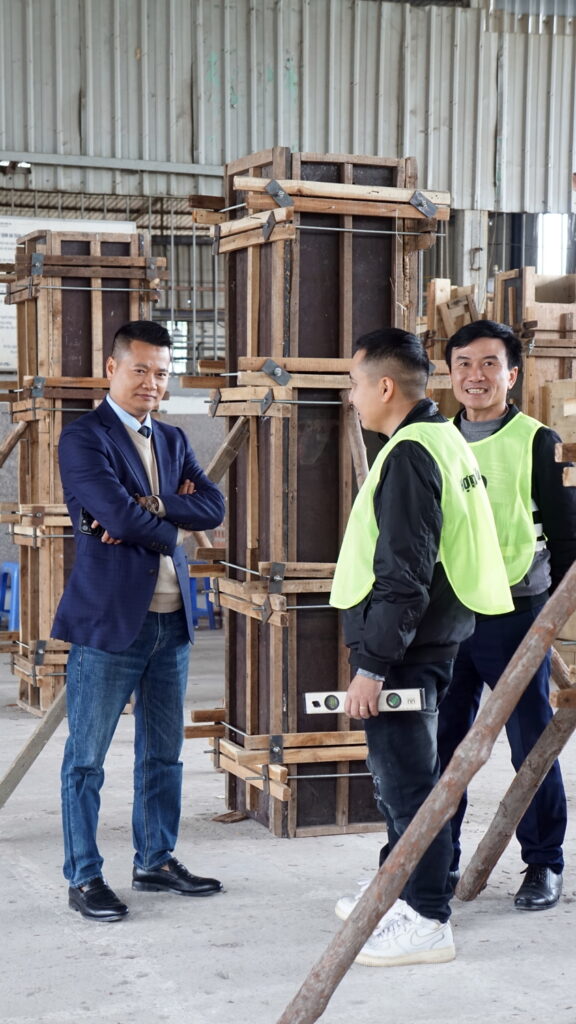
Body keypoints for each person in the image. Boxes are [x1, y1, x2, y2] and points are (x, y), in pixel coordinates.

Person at [330, 328, 512, 968]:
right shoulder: (442, 438)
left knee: (409, 789)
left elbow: (403, 576)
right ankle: (398, 887)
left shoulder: (410, 453)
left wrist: (372, 665)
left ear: (384, 387)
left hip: (406, 651)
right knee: (408, 783)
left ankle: (427, 917)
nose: (351, 397)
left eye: (354, 384)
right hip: (433, 639)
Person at [52, 320, 226, 922]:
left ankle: (155, 859)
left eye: (161, 372)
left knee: (163, 754)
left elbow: (213, 505)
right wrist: (170, 520)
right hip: (109, 622)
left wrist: (149, 505)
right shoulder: (84, 439)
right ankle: (83, 876)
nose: (152, 382)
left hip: (172, 621)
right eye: (140, 370)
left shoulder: (173, 439)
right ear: (112, 368)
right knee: (87, 758)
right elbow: (118, 519)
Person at [438, 319, 576, 910]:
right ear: (450, 374)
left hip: (515, 612)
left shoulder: (537, 441)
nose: (476, 375)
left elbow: (566, 534)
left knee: (529, 742)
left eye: (490, 363)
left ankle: (543, 863)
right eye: (464, 364)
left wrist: (554, 617)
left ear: (512, 375)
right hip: (446, 615)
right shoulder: (432, 440)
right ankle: (438, 862)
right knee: (443, 744)